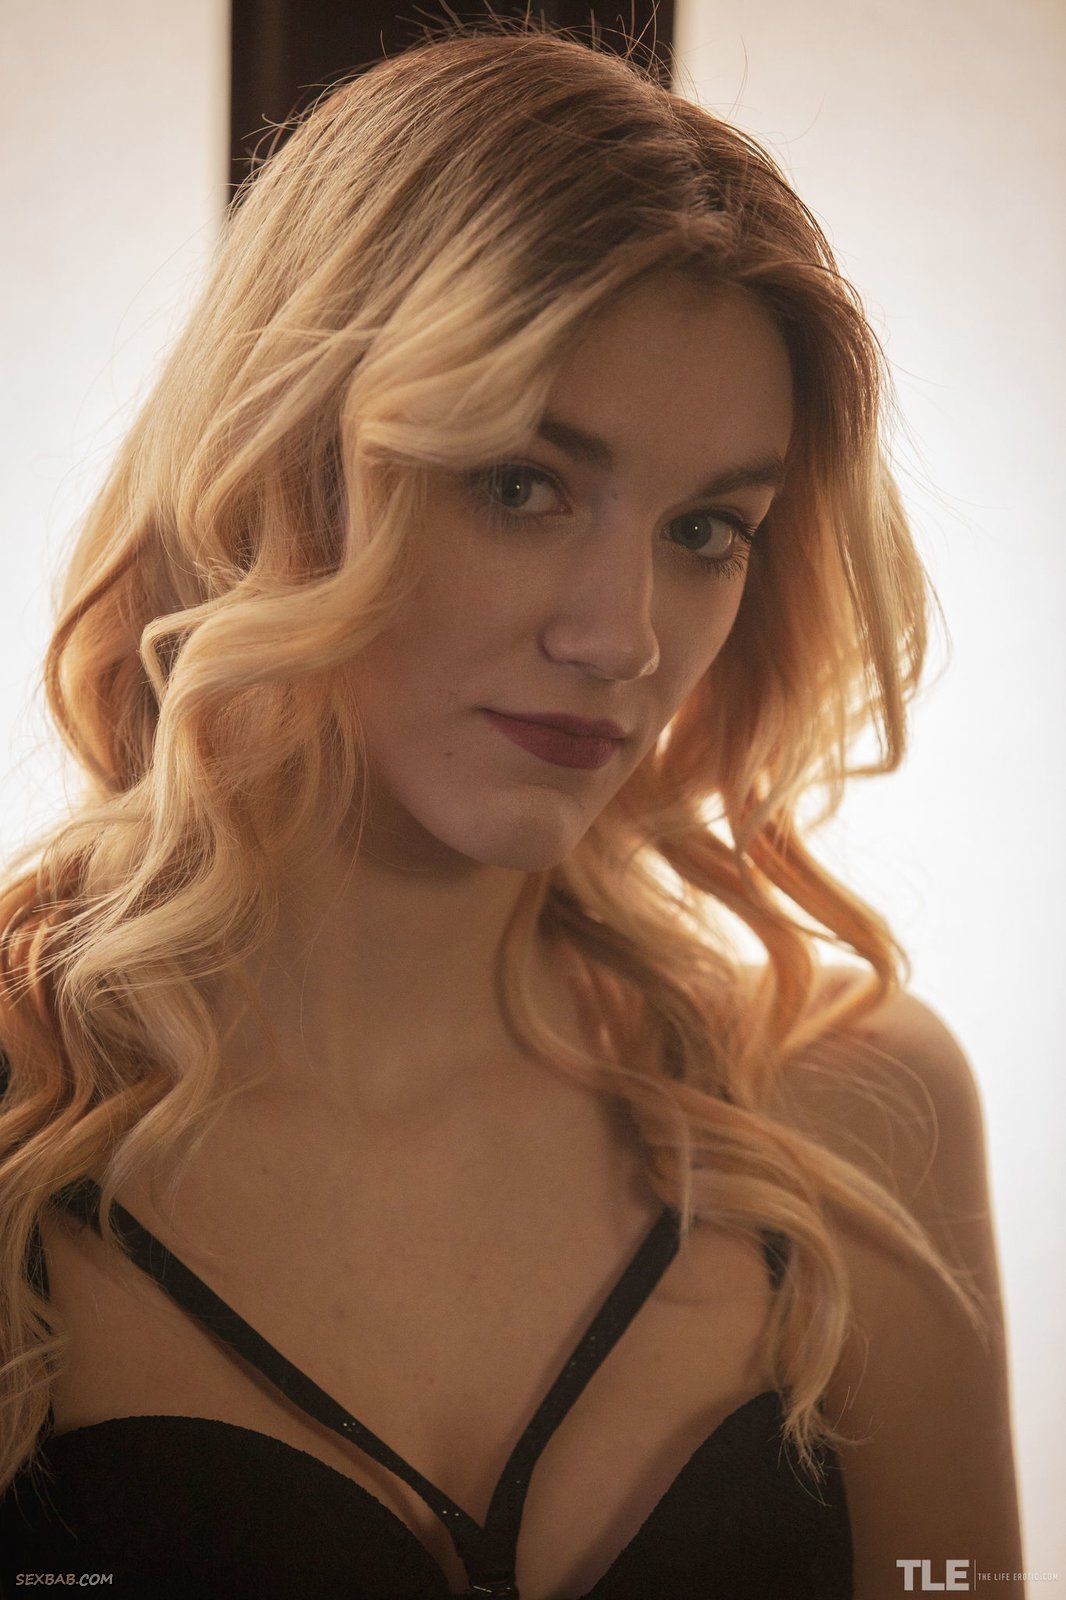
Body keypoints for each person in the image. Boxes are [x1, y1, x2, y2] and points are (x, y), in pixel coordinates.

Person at [0, 22, 1022, 1600]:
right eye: (520, 484)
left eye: (706, 527)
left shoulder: (851, 1107)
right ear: (284, 459)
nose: (623, 638)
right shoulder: (27, 1117)